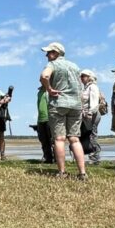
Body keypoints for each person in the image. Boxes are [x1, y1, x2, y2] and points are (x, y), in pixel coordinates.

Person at [39, 42, 87, 181]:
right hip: (76, 104)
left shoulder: (53, 65)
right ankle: (82, 173)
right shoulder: (75, 66)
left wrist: (49, 89)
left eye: (49, 52)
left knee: (59, 139)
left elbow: (44, 76)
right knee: (74, 139)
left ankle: (62, 172)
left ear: (56, 53)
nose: (46, 55)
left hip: (59, 103)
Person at [79, 69, 101, 165]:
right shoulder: (85, 88)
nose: (81, 78)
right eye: (81, 76)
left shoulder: (92, 87)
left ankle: (95, 157)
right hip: (86, 115)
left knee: (92, 135)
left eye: (83, 76)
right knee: (88, 135)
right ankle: (92, 156)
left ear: (89, 77)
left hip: (92, 115)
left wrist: (90, 113)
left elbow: (94, 102)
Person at [33, 85, 55, 164]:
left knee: (52, 140)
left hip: (50, 118)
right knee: (43, 140)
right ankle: (48, 158)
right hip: (40, 119)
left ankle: (56, 158)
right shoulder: (39, 92)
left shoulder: (51, 91)